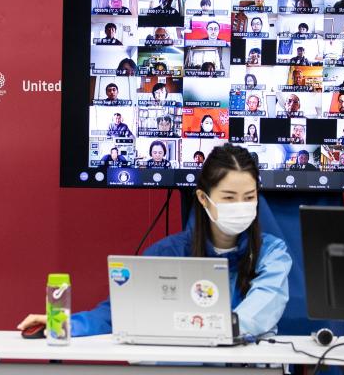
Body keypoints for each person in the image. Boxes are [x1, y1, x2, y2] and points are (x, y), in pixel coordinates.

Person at [18, 144, 292, 337]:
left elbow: (260, 310)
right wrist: (62, 324)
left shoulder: (272, 254)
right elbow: (120, 313)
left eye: (249, 197)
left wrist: (214, 328)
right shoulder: (168, 253)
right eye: (229, 198)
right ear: (202, 198)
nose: (241, 206)